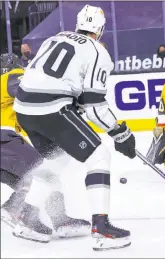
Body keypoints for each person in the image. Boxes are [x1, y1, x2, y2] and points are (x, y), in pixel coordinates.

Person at [12, 5, 136, 251]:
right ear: (100, 29)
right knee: (99, 155)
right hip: (51, 108)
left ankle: (27, 217)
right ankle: (101, 228)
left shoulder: (54, 38)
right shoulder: (97, 51)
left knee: (56, 158)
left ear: (78, 23)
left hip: (24, 109)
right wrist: (120, 132)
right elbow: (93, 104)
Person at [0, 53, 91, 238]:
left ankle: (56, 220)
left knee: (38, 180)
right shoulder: (8, 77)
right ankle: (13, 208)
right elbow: (28, 90)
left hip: (5, 150)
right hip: (4, 138)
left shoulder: (7, 102)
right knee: (43, 170)